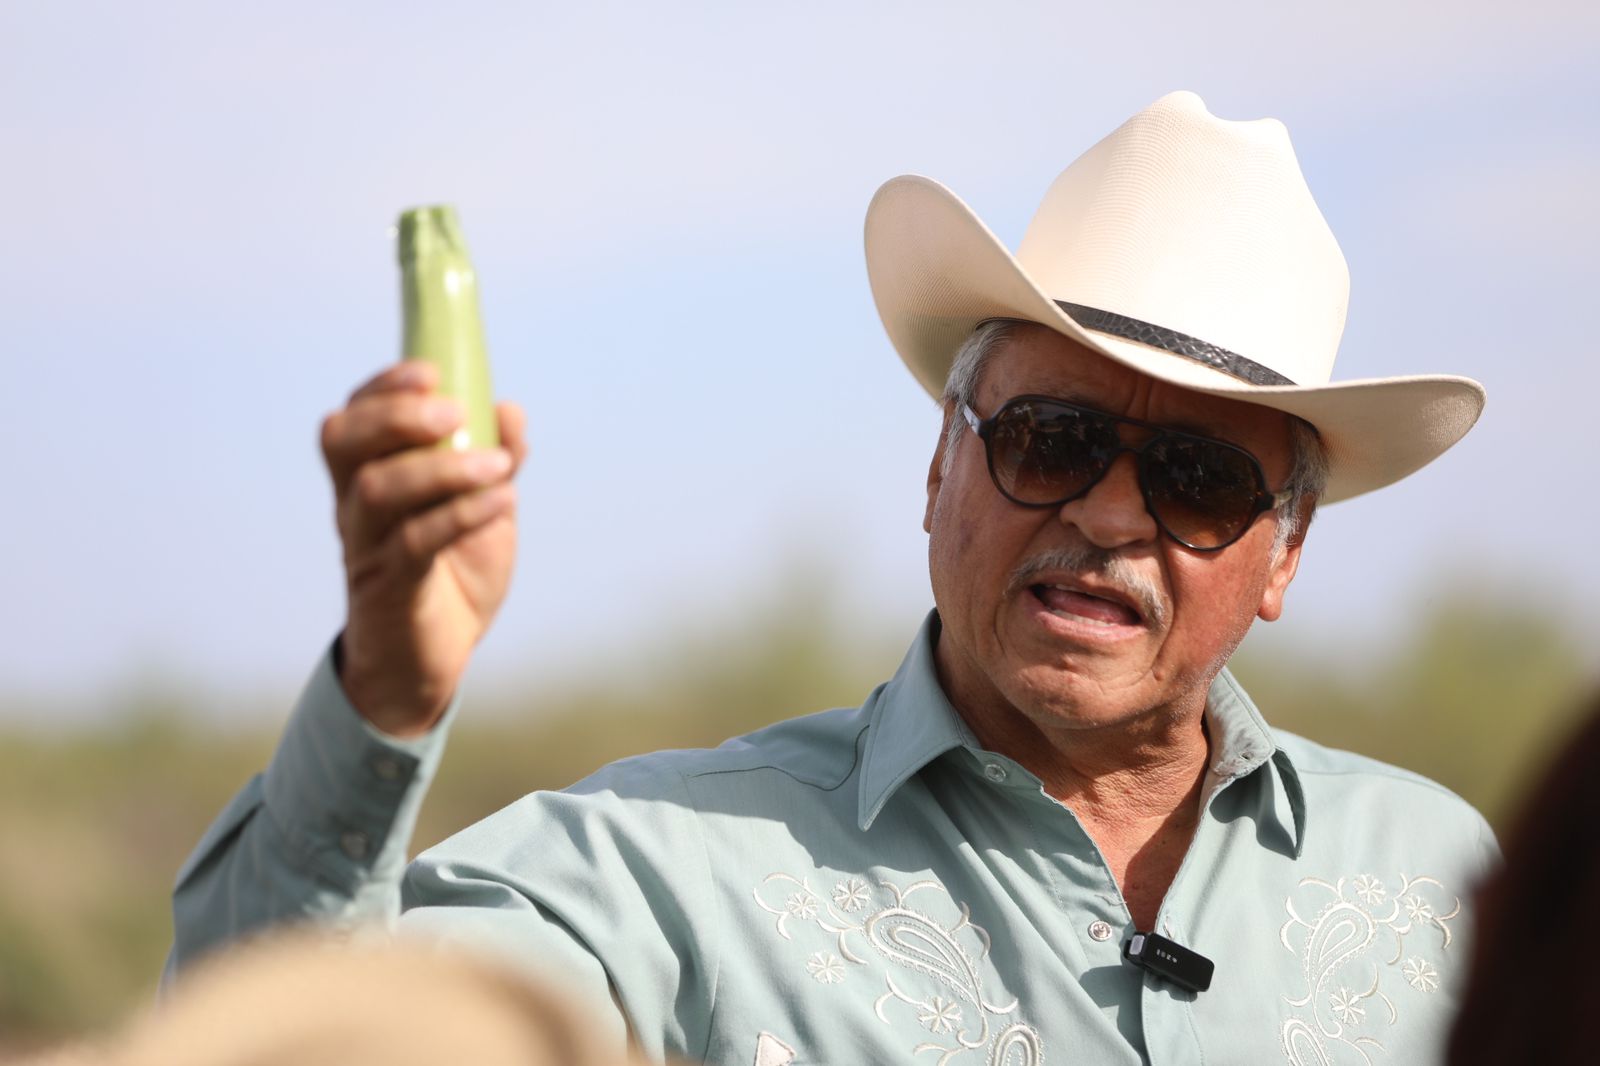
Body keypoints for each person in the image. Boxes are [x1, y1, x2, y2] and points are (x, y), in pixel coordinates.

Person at [169, 91, 1497, 1065]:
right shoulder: (660, 872)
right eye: (1051, 440)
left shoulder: (1446, 878)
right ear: (942, 465)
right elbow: (264, 1040)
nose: (1106, 513)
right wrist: (385, 696)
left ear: (1284, 552)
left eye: (1198, 480)